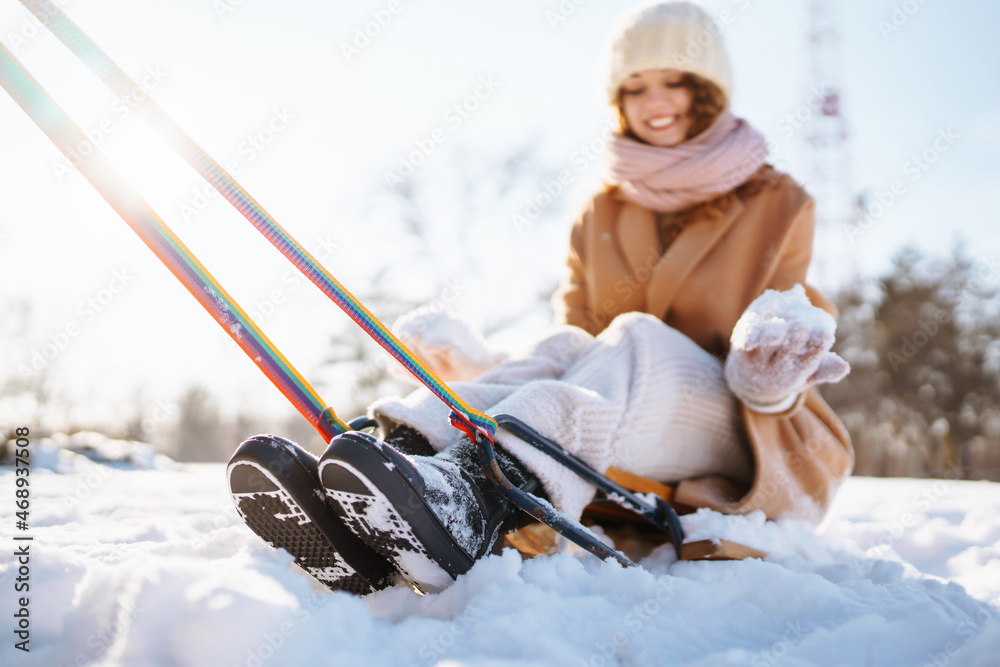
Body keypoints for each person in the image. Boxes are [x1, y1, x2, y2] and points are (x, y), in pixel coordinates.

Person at [227, 1, 853, 596]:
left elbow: (789, 318)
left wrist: (767, 376)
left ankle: (476, 501)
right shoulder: (601, 210)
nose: (654, 103)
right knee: (568, 342)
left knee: (636, 335)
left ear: (706, 89)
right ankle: (400, 466)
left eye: (674, 82)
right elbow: (579, 343)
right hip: (624, 423)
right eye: (635, 88)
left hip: (735, 425)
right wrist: (481, 371)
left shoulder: (776, 200)